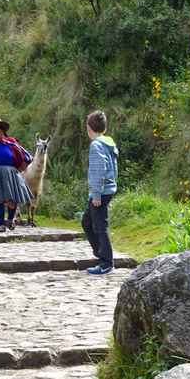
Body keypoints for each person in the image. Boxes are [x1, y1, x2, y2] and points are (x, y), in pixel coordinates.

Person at [0, 118, 34, 232]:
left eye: (0, 132)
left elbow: (20, 158)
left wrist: (17, 168)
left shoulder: (11, 144)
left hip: (11, 174)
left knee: (12, 199)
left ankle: (10, 220)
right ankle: (1, 224)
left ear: (3, 133)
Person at [82, 110, 118, 275]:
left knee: (99, 226)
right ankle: (101, 255)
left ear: (89, 128)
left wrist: (96, 194)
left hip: (101, 192)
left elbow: (98, 170)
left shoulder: (96, 145)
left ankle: (106, 262)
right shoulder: (108, 143)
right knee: (87, 222)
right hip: (107, 189)